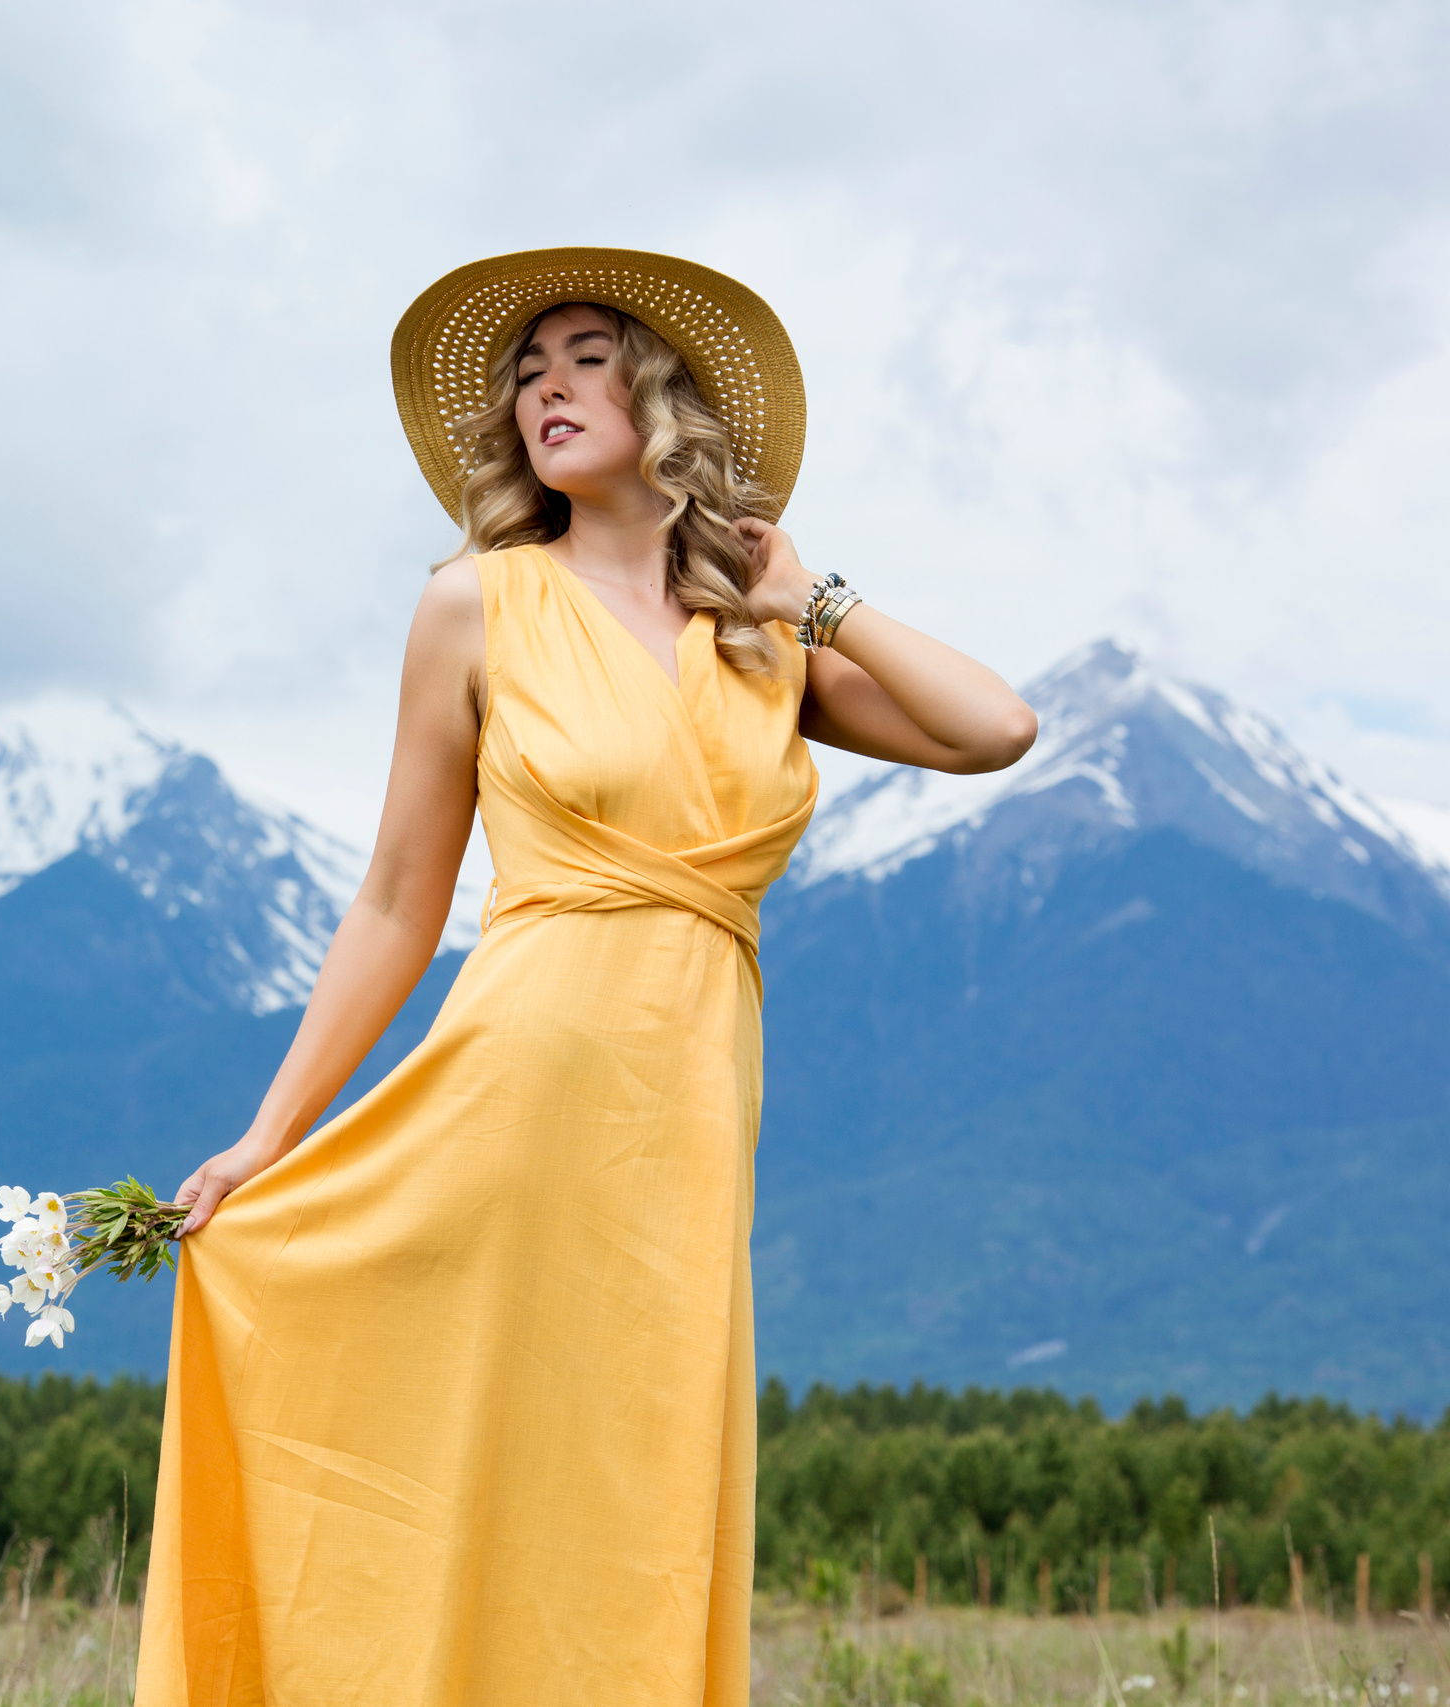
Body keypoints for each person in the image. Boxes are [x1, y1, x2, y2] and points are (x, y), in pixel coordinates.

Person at [133, 249, 1037, 1706]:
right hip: (517, 1082)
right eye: (525, 371)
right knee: (463, 1445)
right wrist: (267, 1135)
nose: (543, 386)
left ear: (661, 395)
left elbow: (994, 731)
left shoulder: (763, 636)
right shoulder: (476, 605)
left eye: (584, 354)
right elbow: (393, 900)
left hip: (684, 1108)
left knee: (636, 1474)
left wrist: (812, 595)